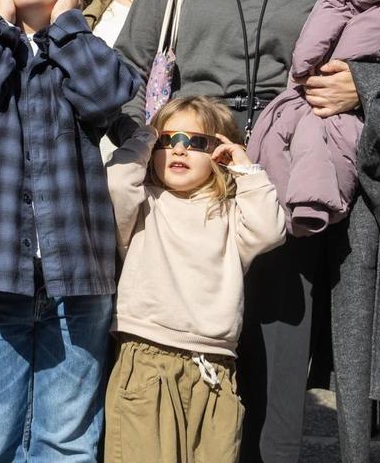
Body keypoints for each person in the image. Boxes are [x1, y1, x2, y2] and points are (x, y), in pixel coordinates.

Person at [113, 0, 360, 462]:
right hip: (191, 196)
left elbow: (374, 69)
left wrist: (359, 87)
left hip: (282, 189)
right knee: (188, 373)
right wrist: (160, 162)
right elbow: (124, 79)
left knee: (279, 392)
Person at [0, 0, 141, 461]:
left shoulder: (84, 50)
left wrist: (70, 29)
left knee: (69, 435)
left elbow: (108, 94)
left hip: (78, 273)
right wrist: (1, 24)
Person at [104, 96, 286, 462]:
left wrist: (245, 168)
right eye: (167, 140)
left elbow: (270, 229)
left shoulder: (231, 215)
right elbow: (117, 184)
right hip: (145, 361)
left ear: (219, 152)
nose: (179, 149)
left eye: (195, 142)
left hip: (214, 371)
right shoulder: (144, 207)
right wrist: (142, 139)